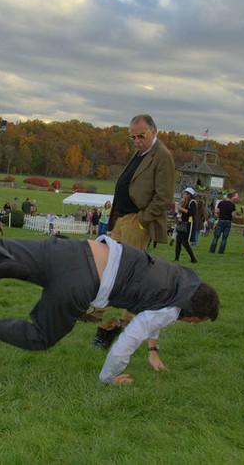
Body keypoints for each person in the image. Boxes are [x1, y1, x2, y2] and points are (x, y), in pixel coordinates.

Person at [0, 235, 220, 385]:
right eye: (195, 322)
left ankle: (9, 262)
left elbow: (156, 314)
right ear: (194, 315)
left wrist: (153, 350)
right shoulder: (172, 308)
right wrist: (109, 377)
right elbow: (129, 338)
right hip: (81, 281)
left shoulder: (178, 277)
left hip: (73, 249)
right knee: (40, 336)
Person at [90, 114, 175, 333]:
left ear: (154, 132)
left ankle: (128, 318)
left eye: (141, 136)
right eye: (133, 137)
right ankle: (98, 309)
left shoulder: (162, 156)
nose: (136, 141)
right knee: (108, 263)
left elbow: (164, 197)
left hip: (136, 221)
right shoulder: (141, 152)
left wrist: (142, 220)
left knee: (129, 271)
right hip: (121, 218)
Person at [174, 187, 198, 263]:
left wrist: (181, 208)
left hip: (188, 224)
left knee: (184, 242)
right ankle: (176, 258)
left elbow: (191, 212)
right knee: (178, 240)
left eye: (185, 193)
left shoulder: (192, 202)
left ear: (189, 194)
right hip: (182, 222)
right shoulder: (184, 201)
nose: (183, 194)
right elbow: (181, 212)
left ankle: (193, 258)